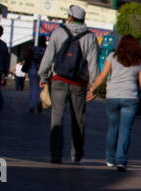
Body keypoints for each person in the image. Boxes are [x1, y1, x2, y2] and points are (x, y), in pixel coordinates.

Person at [39, 5, 100, 163]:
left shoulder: (58, 32)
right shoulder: (90, 37)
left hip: (59, 80)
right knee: (78, 120)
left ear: (70, 17)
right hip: (79, 83)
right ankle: (76, 154)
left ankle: (55, 155)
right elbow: (93, 64)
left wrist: (43, 76)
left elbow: (48, 57)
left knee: (57, 118)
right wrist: (94, 86)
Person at [86, 34, 141, 171]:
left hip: (112, 96)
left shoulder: (112, 57)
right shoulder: (139, 61)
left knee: (113, 128)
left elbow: (102, 76)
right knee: (125, 130)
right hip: (130, 97)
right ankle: (121, 160)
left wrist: (92, 90)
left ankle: (110, 159)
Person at [27, 38, 46, 113]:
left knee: (33, 88)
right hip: (42, 71)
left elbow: (26, 56)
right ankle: (39, 102)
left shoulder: (33, 49)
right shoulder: (46, 50)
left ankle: (32, 105)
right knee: (41, 88)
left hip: (32, 69)